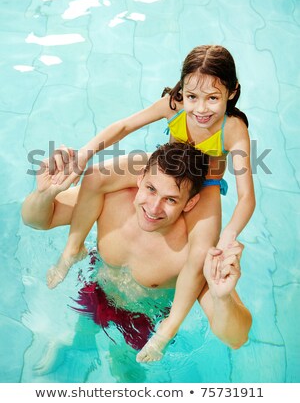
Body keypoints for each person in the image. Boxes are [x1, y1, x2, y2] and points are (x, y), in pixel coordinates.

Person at [40, 45, 256, 360]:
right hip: (167, 168)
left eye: (213, 98)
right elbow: (125, 126)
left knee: (201, 252)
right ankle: (73, 249)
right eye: (192, 96)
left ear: (232, 92)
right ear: (182, 88)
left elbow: (247, 198)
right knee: (96, 176)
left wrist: (228, 236)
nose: (200, 109)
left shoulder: (233, 128)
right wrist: (83, 154)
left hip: (203, 186)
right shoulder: (175, 104)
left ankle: (167, 329)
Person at [22, 143, 252, 362]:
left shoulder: (192, 251)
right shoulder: (111, 199)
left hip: (143, 320)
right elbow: (38, 220)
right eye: (151, 189)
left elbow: (236, 338)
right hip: (98, 289)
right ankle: (73, 345)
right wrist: (44, 194)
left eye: (170, 200)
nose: (153, 208)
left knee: (124, 369)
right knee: (82, 332)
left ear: (190, 204)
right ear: (140, 179)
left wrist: (222, 299)